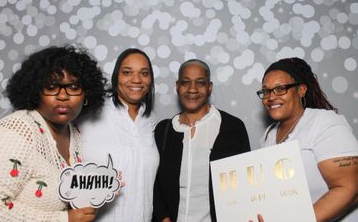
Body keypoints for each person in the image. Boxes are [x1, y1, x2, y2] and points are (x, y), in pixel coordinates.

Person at [0, 45, 107, 221]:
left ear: (86, 94)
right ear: (35, 91)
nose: (63, 96)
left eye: (73, 87)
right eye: (51, 87)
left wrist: (101, 189)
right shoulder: (15, 132)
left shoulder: (73, 133)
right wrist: (65, 219)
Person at [254, 57, 358, 222]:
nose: (271, 97)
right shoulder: (268, 135)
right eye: (266, 91)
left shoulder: (324, 123)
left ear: (301, 90)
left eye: (280, 88)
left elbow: (349, 189)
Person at [153, 59, 251, 222]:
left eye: (200, 83)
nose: (192, 89)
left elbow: (244, 185)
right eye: (186, 82)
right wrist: (163, 217)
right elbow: (155, 184)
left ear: (209, 87)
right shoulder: (164, 130)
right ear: (177, 86)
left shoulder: (233, 127)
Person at [79, 48, 159, 221]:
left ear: (150, 80)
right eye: (127, 72)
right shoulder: (91, 112)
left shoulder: (151, 121)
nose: (136, 79)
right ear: (117, 77)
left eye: (144, 73)